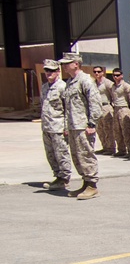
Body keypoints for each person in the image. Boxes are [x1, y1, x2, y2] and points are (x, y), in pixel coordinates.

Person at [57, 52, 102, 200]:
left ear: (76, 63)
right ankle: (85, 182)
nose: (64, 66)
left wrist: (92, 123)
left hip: (83, 126)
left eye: (66, 63)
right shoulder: (70, 82)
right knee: (77, 156)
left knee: (86, 154)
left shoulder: (86, 81)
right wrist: (66, 126)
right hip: (73, 126)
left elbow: (95, 103)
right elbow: (67, 107)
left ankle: (92, 185)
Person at [39, 59, 72, 191]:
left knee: (61, 153)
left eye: (52, 71)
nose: (49, 73)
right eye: (47, 70)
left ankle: (64, 179)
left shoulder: (62, 87)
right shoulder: (45, 87)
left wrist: (66, 127)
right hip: (47, 126)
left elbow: (67, 109)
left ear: (58, 71)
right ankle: (57, 176)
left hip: (58, 127)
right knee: (50, 154)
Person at [92, 66, 116, 154]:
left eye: (98, 71)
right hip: (97, 107)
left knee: (108, 128)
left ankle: (111, 147)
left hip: (106, 106)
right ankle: (105, 146)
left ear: (102, 72)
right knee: (100, 129)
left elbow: (113, 94)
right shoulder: (93, 83)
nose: (96, 73)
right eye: (95, 72)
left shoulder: (108, 83)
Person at [109, 68, 130, 157]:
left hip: (124, 108)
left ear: (121, 75)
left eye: (117, 75)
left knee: (126, 130)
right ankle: (121, 149)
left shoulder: (126, 86)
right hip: (116, 108)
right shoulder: (113, 86)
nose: (115, 77)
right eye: (114, 75)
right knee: (117, 131)